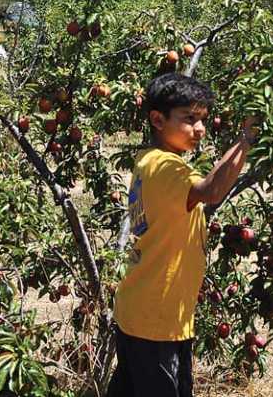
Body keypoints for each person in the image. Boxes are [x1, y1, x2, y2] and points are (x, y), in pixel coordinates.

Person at [108, 73, 257, 397]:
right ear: (158, 120)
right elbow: (212, 190)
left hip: (141, 312)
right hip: (157, 322)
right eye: (189, 119)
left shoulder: (148, 160)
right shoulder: (167, 168)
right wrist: (245, 140)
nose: (199, 129)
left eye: (202, 119)